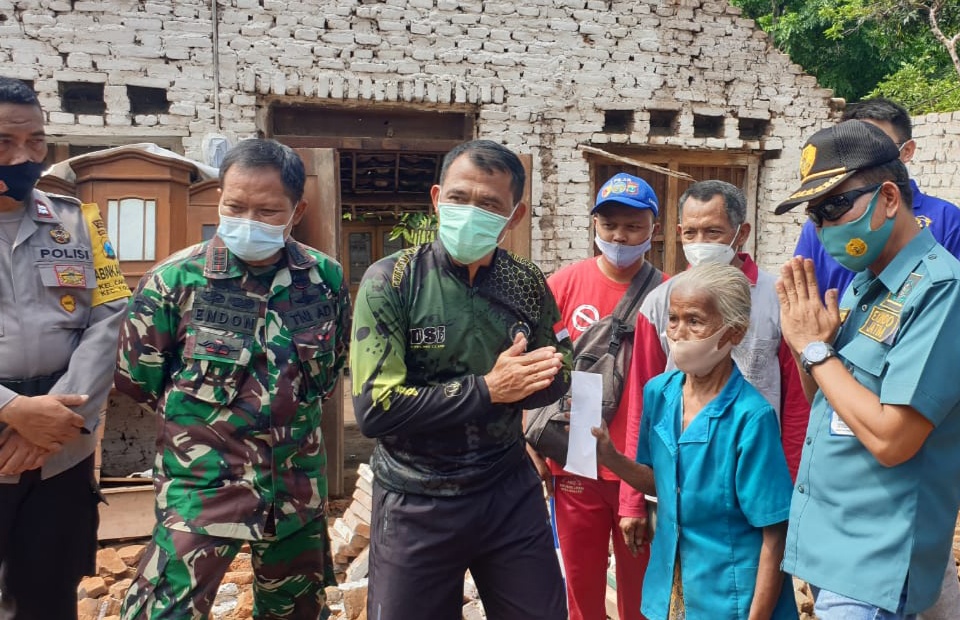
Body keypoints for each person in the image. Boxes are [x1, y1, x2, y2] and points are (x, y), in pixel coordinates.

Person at [115, 139, 350, 619]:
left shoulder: (324, 279)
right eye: (234, 206)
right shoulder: (174, 280)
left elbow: (329, 373)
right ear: (220, 196)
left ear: (296, 210)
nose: (248, 220)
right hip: (202, 488)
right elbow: (138, 380)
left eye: (267, 211)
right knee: (164, 612)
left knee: (297, 612)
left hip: (295, 490)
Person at [350, 139, 571, 619]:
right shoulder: (392, 281)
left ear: (514, 215)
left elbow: (561, 366)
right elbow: (375, 409)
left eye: (490, 204)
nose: (471, 212)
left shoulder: (526, 282)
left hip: (506, 487)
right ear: (435, 199)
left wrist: (535, 376)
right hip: (416, 495)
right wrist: (491, 388)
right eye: (458, 198)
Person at [774, 119, 960, 619]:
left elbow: (892, 439)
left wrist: (817, 352)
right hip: (833, 550)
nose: (825, 226)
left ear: (890, 198)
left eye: (836, 205)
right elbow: (835, 406)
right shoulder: (864, 286)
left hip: (874, 563)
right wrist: (803, 345)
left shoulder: (941, 290)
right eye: (816, 214)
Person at [594, 263, 798, 620]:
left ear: (734, 332)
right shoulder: (659, 392)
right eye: (673, 319)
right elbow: (661, 480)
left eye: (695, 320)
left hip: (733, 594)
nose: (679, 332)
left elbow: (775, 532)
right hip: (672, 581)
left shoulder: (751, 417)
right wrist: (610, 457)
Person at [617, 180, 809, 559]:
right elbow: (642, 399)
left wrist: (787, 485)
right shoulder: (658, 303)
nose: (700, 240)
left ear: (742, 233)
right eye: (691, 232)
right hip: (677, 481)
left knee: (749, 578)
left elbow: (797, 403)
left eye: (713, 231)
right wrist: (632, 500)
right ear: (677, 234)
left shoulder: (777, 298)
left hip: (755, 476)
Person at [0, 77, 131, 619]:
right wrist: (13, 410)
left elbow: (110, 317)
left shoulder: (79, 221)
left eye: (36, 143)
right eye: (5, 142)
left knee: (48, 595)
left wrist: (58, 418)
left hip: (63, 443)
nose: (24, 156)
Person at [526, 172, 664, 620]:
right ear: (594, 226)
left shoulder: (667, 294)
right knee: (581, 589)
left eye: (632, 226)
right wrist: (528, 439)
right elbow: (533, 363)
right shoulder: (562, 285)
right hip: (575, 459)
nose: (619, 236)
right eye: (609, 226)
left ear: (653, 230)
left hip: (642, 467)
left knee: (641, 594)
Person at [794, 97, 960, 299]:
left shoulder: (946, 218)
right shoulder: (820, 226)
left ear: (906, 151)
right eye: (851, 147)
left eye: (874, 143)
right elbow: (805, 298)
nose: (859, 157)